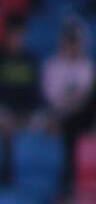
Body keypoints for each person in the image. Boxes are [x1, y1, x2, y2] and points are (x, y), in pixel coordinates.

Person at [40, 16, 95, 150]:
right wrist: (70, 99)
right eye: (69, 41)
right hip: (58, 114)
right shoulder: (51, 66)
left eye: (75, 42)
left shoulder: (89, 67)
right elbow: (51, 97)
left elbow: (88, 95)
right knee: (48, 121)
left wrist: (75, 98)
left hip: (83, 114)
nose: (72, 46)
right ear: (62, 42)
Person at [0, 19, 42, 138]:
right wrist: (10, 113)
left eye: (20, 36)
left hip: (24, 111)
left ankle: (29, 149)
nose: (17, 40)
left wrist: (23, 112)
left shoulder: (30, 61)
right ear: (7, 37)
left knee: (42, 121)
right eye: (14, 36)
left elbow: (34, 92)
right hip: (1, 109)